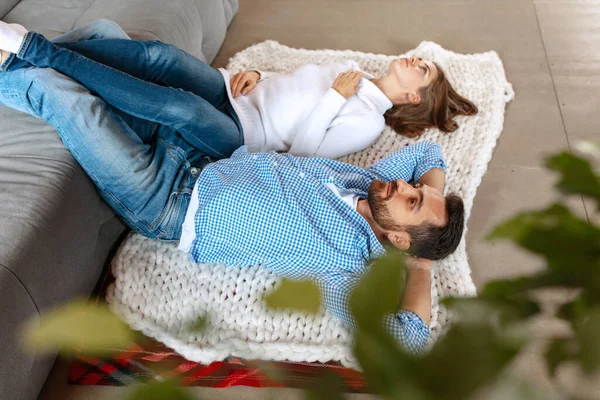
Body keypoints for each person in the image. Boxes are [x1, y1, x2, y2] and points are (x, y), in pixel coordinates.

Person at [0, 21, 465, 353]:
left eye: (412, 200)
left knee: (70, 103)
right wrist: (426, 206)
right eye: (416, 190)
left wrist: (421, 267)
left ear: (400, 239)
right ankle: (37, 49)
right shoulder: (368, 182)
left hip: (167, 202)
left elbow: (406, 339)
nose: (404, 185)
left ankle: (21, 59)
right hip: (203, 153)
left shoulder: (347, 266)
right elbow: (430, 156)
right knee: (114, 43)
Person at [0, 20, 477, 160]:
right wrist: (257, 77)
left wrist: (336, 96)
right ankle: (24, 51)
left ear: (414, 98)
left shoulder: (368, 121)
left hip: (240, 135)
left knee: (178, 107)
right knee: (158, 58)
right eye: (424, 59)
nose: (417, 60)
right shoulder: (350, 67)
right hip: (238, 93)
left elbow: (304, 157)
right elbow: (294, 86)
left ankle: (36, 50)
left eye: (425, 71)